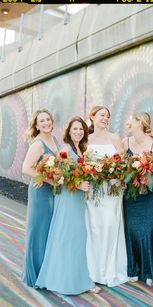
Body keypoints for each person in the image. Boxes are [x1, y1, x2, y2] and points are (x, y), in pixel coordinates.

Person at [35, 116, 101, 294]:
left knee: (78, 238)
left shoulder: (82, 150)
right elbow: (57, 176)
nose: (78, 132)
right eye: (75, 129)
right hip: (67, 198)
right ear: (69, 131)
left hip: (78, 199)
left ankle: (80, 278)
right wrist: (77, 184)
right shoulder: (65, 149)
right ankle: (63, 280)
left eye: (81, 129)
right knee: (66, 237)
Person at [85, 105, 128, 287]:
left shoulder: (115, 138)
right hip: (93, 191)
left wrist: (119, 178)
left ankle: (108, 270)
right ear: (92, 117)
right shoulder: (86, 139)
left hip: (111, 190)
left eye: (108, 116)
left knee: (110, 225)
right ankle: (92, 270)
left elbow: (124, 163)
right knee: (94, 227)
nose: (105, 119)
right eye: (102, 115)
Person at [122, 112, 153, 287]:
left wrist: (146, 176)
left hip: (150, 195)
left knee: (150, 230)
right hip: (131, 195)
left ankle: (150, 271)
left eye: (131, 120)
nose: (128, 123)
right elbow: (119, 166)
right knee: (131, 229)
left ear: (140, 122)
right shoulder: (125, 143)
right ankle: (134, 269)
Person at [22, 109, 60, 287]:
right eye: (42, 121)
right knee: (38, 230)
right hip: (40, 192)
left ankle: (47, 273)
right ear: (36, 125)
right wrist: (49, 180)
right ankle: (35, 275)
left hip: (53, 192)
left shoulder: (54, 140)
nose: (46, 123)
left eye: (48, 119)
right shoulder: (37, 144)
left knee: (50, 231)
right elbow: (26, 169)